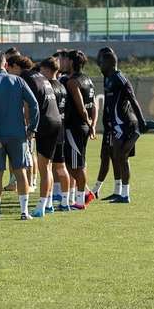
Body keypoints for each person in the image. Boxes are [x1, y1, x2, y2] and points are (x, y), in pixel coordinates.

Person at [0, 51, 39, 221]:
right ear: (5, 64)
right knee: (20, 172)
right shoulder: (18, 80)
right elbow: (34, 105)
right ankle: (24, 212)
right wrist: (32, 128)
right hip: (18, 135)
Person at [8, 55, 57, 217]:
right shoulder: (39, 75)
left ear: (16, 67)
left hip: (44, 123)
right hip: (56, 120)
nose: (9, 71)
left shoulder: (25, 78)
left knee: (44, 167)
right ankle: (47, 204)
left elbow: (29, 104)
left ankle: (41, 207)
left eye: (10, 68)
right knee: (48, 166)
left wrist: (29, 128)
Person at [97, 47, 147, 204]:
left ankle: (125, 195)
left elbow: (133, 100)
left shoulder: (120, 79)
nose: (100, 65)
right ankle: (118, 192)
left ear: (111, 63)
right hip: (115, 125)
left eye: (102, 62)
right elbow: (108, 104)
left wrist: (142, 121)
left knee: (122, 157)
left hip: (125, 124)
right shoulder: (107, 78)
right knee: (115, 157)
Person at [64, 50, 98, 210]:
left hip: (75, 127)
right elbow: (94, 105)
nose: (62, 62)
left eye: (65, 60)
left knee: (75, 165)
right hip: (83, 126)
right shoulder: (88, 80)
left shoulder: (72, 82)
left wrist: (89, 123)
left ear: (71, 62)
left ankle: (80, 200)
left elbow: (82, 108)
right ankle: (86, 193)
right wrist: (92, 124)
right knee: (75, 164)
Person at [39, 57, 73, 211]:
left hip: (49, 130)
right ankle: (65, 202)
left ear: (46, 69)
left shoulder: (47, 86)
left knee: (47, 168)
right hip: (60, 130)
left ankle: (48, 203)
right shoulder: (62, 86)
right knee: (60, 167)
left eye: (41, 70)